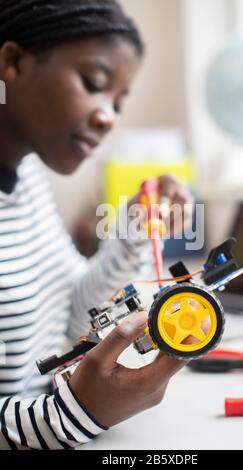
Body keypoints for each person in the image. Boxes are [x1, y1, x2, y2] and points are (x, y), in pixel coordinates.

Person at [0, 0, 194, 450]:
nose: (108, 117)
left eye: (117, 103)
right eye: (94, 84)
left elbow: (71, 310)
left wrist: (133, 233)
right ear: (12, 62)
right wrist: (74, 416)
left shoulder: (28, 177)